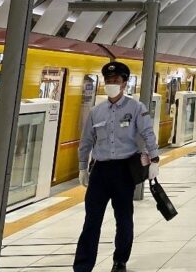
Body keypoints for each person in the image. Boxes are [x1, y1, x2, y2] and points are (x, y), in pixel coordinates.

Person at [75, 61, 159, 272]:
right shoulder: (97, 111)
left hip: (124, 171)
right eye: (108, 80)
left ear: (124, 83)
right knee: (91, 220)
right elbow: (86, 141)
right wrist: (83, 167)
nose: (111, 83)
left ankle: (120, 260)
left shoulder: (136, 108)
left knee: (123, 218)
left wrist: (155, 160)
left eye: (115, 80)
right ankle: (83, 266)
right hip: (100, 171)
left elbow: (148, 134)